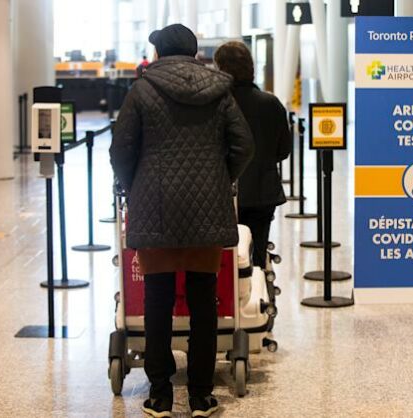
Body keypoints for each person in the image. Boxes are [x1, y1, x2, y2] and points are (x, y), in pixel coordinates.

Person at [110, 24, 254, 418]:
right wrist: (218, 177)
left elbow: (121, 148)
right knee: (203, 299)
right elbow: (244, 145)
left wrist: (134, 184)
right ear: (193, 53)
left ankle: (159, 395)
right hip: (207, 205)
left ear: (158, 53)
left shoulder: (141, 90)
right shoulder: (220, 90)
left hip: (154, 206)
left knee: (157, 299)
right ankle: (201, 395)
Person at [214, 42, 292, 268]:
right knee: (256, 256)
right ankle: (259, 295)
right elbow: (283, 150)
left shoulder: (215, 103)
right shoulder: (271, 104)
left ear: (220, 68)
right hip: (262, 192)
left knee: (226, 260)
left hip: (222, 194)